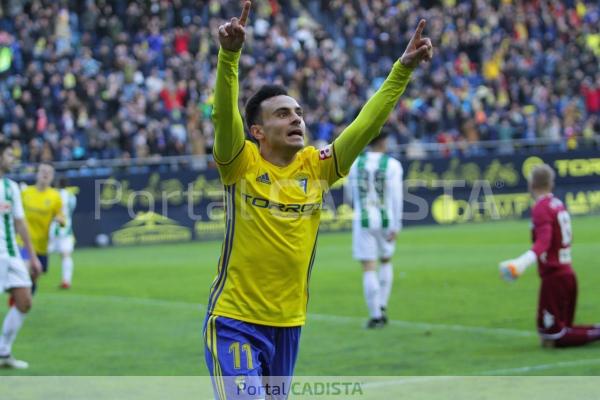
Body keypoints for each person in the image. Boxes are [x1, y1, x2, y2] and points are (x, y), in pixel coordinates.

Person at [204, 1, 432, 397]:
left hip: (289, 323)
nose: (296, 119)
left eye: (299, 112)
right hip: (234, 320)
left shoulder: (317, 166)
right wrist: (229, 56)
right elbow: (225, 116)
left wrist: (402, 70)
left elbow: (367, 124)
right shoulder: (240, 164)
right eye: (282, 114)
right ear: (257, 130)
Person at [499, 163, 600, 347]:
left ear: (531, 184)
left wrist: (521, 263)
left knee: (553, 339)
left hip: (555, 278)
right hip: (567, 274)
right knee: (558, 332)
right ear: (551, 183)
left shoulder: (541, 207)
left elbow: (544, 242)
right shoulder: (557, 204)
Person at [348, 132, 403, 329]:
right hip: (386, 217)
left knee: (368, 267)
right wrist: (396, 224)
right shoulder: (393, 164)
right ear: (384, 141)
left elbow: (351, 193)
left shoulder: (355, 163)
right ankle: (382, 304)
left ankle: (375, 315)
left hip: (363, 218)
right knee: (386, 260)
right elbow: (396, 195)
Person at [0, 141, 43, 369]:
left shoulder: (11, 187)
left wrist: (32, 256)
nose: (12, 159)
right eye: (8, 155)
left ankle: (3, 353)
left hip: (11, 253)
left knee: (25, 301)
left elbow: (20, 222)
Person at [19, 163, 64, 293]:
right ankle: (19, 300)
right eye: (43, 171)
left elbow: (61, 216)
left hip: (42, 244)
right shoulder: (26, 192)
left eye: (48, 172)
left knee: (35, 274)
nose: (45, 174)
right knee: (25, 270)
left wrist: (60, 220)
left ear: (52, 177)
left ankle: (25, 298)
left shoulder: (55, 197)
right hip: (23, 242)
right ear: (37, 173)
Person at [48, 177, 77, 289]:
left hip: (52, 228)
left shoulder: (53, 195)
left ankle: (30, 277)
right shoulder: (71, 196)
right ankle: (66, 280)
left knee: (41, 253)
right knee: (66, 255)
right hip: (66, 229)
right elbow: (71, 209)